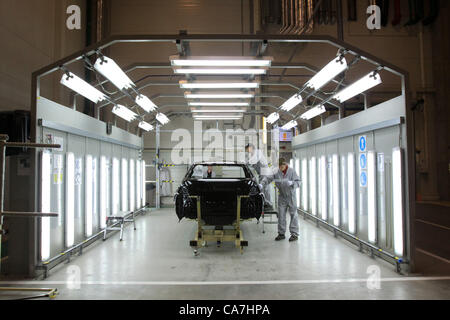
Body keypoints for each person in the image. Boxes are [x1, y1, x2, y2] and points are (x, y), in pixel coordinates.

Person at [261, 158, 301, 242]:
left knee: (293, 215)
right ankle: (281, 233)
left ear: (285, 165)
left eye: (282, 166)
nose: (281, 168)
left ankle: (294, 234)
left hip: (291, 196)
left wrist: (292, 183)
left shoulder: (292, 172)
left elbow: (299, 182)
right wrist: (262, 184)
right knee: (281, 215)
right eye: (279, 166)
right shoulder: (276, 171)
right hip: (282, 196)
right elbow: (268, 178)